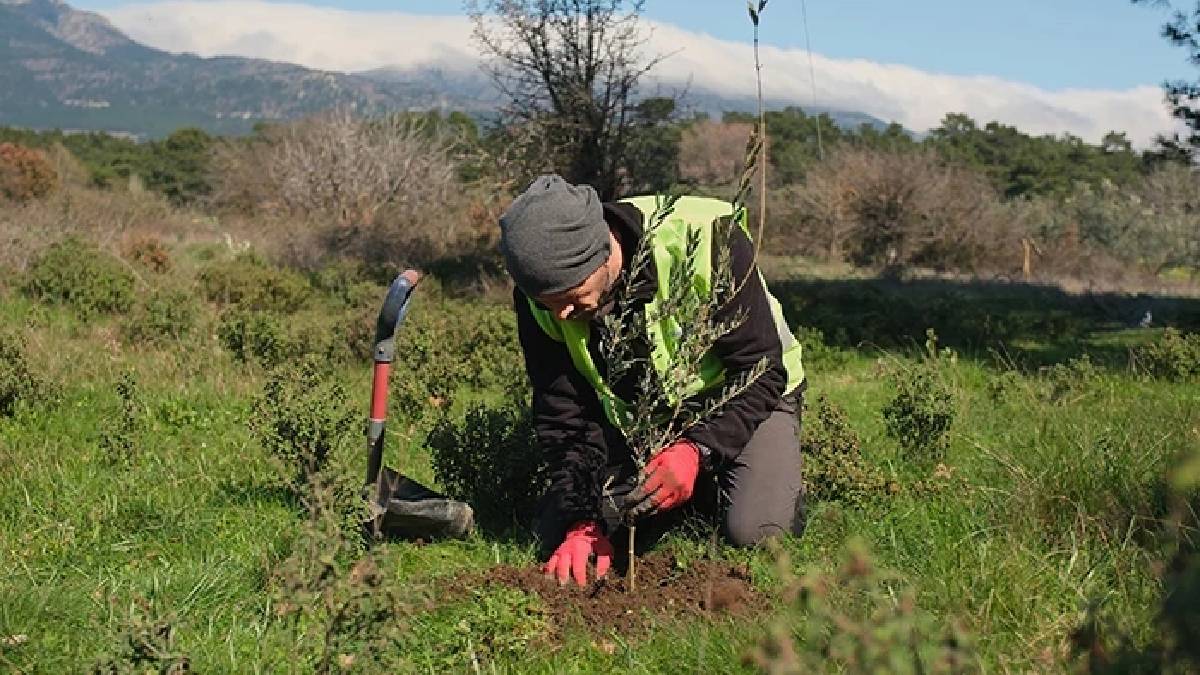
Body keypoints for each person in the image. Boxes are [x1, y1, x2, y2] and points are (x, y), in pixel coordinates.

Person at [499, 175, 806, 588]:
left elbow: (761, 369)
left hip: (746, 395)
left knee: (756, 530)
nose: (561, 316)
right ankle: (686, 491)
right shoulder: (539, 299)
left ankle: (736, 480)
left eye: (570, 297)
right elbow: (564, 415)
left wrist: (696, 451)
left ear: (601, 253)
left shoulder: (709, 240)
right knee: (558, 529)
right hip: (642, 418)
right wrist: (582, 522)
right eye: (547, 303)